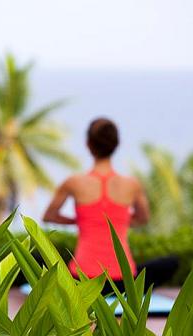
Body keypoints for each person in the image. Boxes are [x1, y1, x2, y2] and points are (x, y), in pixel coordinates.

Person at [43, 117, 176, 291]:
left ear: (88, 144)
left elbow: (49, 216)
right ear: (116, 144)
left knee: (38, 258)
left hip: (82, 278)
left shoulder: (73, 182)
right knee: (172, 262)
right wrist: (121, 219)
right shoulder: (132, 184)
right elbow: (143, 219)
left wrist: (78, 220)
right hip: (123, 281)